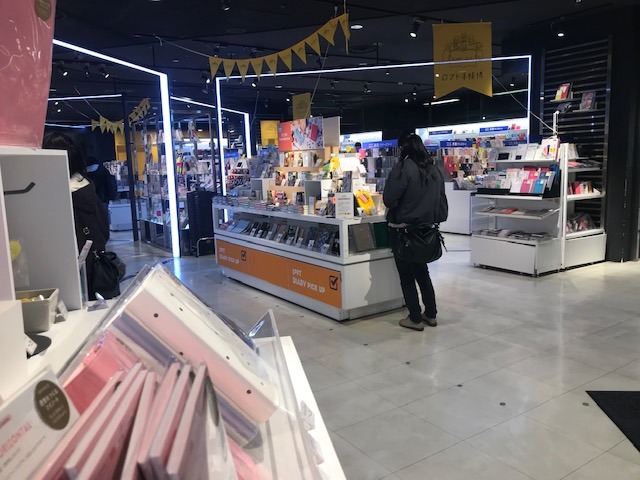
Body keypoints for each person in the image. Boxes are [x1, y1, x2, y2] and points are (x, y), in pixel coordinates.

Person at [383, 133, 448, 331]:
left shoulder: (403, 168)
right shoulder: (434, 169)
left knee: (406, 276)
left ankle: (414, 318)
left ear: (403, 148)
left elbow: (389, 199)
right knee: (422, 272)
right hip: (427, 231)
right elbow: (442, 203)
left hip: (404, 231)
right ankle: (431, 314)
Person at [43, 132, 110, 299]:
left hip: (72, 278)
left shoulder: (59, 197)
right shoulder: (86, 186)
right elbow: (104, 230)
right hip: (94, 271)